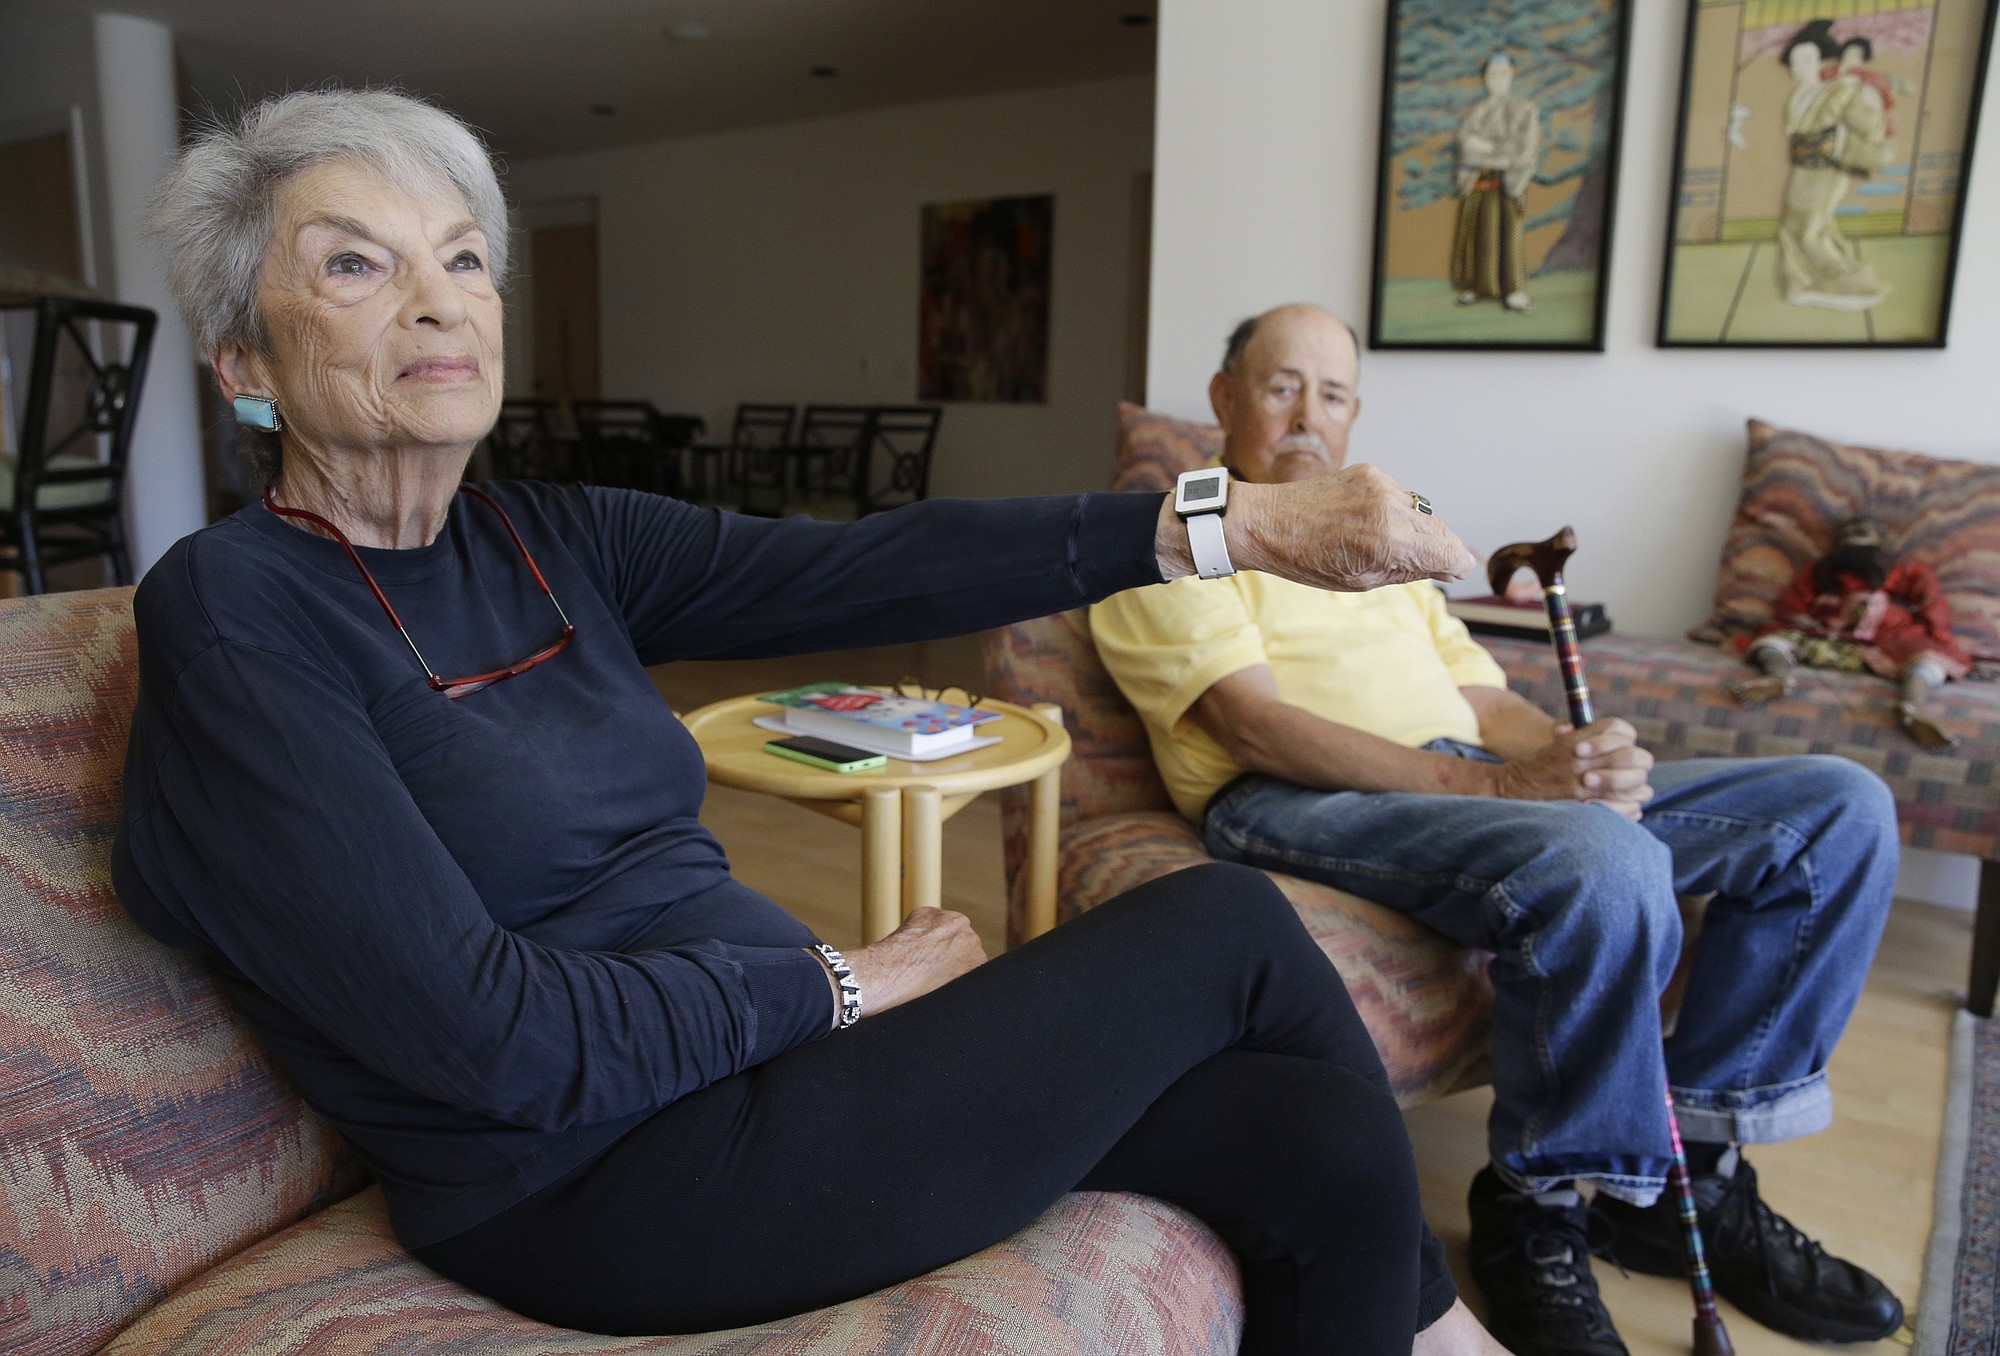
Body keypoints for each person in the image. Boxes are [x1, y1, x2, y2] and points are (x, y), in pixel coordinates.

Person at [112, 90, 1511, 1356]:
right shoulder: (238, 612)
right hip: (592, 1180)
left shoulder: (545, 537)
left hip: (778, 1083)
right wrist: (840, 983)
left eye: (464, 258)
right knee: (1224, 927)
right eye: (359, 264)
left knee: (1309, 1139)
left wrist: (1232, 522)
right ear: (245, 363)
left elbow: (873, 564)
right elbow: (493, 1045)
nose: (440, 303)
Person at [1089, 302, 1908, 1356]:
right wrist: (1506, 792)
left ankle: (1689, 1183)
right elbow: (1253, 724)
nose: (1306, 415)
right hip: (1290, 797)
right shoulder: (1180, 527)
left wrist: (1575, 756)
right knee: (1599, 858)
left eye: (1331, 393)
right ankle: (1536, 1214)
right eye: (1279, 384)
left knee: (1835, 809)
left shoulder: (1377, 532)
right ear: (1222, 398)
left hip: (1466, 778)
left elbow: (1485, 706)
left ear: (1353, 415)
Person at [1730, 514, 1968, 750]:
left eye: (1862, 530)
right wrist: (1806, 623)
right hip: (1825, 641)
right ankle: (1776, 678)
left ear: (1880, 541)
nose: (1853, 533)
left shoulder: (1905, 572)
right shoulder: (1820, 573)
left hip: (1889, 646)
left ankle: (1913, 708)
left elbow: (1932, 606)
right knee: (1772, 641)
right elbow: (1791, 608)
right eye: (1847, 532)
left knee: (1929, 662)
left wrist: (1939, 642)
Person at [1777, 23, 1892, 310]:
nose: (1798, 67)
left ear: (1819, 61)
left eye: (1805, 60)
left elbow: (1867, 124)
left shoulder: (1839, 90)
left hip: (1826, 167)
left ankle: (1839, 280)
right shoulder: (1797, 97)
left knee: (1810, 227)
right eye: (1794, 62)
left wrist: (1866, 109)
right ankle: (1800, 280)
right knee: (1793, 224)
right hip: (1802, 167)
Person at [1451, 53, 1541, 316]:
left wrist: (1489, 149)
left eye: (1502, 74)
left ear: (1511, 75)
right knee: (1476, 237)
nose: (1496, 80)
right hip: (1479, 182)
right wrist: (1487, 152)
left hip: (1506, 185)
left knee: (1507, 236)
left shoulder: (1525, 110)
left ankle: (1513, 291)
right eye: (1491, 74)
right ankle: (1476, 286)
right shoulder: (1478, 111)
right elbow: (1466, 146)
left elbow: (1523, 150)